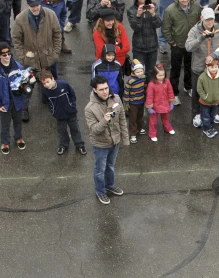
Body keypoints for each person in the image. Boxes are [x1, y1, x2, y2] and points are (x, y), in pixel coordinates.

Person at [12, 0, 61, 122]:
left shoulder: (51, 15)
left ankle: (48, 100)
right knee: (27, 86)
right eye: (32, 6)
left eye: (37, 5)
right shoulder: (20, 19)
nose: (35, 8)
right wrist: (22, 57)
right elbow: (16, 39)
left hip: (47, 58)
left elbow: (57, 34)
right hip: (30, 61)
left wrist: (54, 54)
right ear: (28, 5)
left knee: (49, 83)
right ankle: (24, 108)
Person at [85, 74, 129, 204]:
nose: (105, 92)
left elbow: (122, 120)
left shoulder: (116, 99)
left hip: (115, 141)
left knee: (110, 166)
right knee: (100, 170)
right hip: (101, 145)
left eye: (106, 88)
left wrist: (125, 139)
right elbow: (94, 130)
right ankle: (100, 191)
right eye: (101, 89)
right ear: (95, 90)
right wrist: (105, 120)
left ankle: (110, 185)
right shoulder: (89, 108)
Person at [185, 5, 219, 127]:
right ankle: (196, 114)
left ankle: (213, 113)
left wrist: (215, 55)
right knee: (197, 93)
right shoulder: (195, 31)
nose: (210, 21)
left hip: (214, 69)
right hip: (198, 69)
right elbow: (188, 47)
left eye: (212, 19)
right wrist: (201, 38)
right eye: (207, 19)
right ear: (201, 18)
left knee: (214, 92)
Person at [162, 0, 201, 106]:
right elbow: (165, 28)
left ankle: (188, 87)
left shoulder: (196, 7)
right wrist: (172, 42)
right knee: (175, 70)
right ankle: (173, 94)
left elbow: (200, 22)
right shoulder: (170, 10)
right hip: (177, 45)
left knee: (190, 67)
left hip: (191, 44)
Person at [39, 69, 86, 155]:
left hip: (71, 113)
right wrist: (53, 112)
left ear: (53, 78)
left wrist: (72, 106)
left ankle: (79, 144)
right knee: (62, 131)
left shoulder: (63, 84)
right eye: (44, 83)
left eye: (47, 82)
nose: (46, 85)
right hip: (59, 115)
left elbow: (72, 95)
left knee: (75, 129)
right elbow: (46, 102)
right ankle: (63, 145)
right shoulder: (45, 91)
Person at [0, 42, 32, 154]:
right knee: (5, 124)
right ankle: (5, 142)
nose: (7, 56)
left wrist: (29, 81)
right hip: (4, 102)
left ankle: (18, 138)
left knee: (18, 121)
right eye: (4, 55)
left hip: (17, 100)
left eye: (9, 53)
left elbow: (25, 81)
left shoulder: (18, 66)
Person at [127, 0, 161, 76]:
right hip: (139, 48)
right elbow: (136, 28)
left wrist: (153, 14)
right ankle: (139, 88)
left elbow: (158, 24)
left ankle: (149, 87)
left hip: (152, 46)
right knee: (138, 72)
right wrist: (138, 15)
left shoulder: (154, 6)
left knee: (151, 72)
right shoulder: (131, 10)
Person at [145, 62, 175, 140]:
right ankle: (152, 134)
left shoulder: (167, 81)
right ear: (155, 75)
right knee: (153, 121)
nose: (162, 77)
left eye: (163, 75)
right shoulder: (151, 84)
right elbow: (149, 96)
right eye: (160, 75)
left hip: (165, 103)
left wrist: (171, 101)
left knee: (166, 118)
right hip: (155, 106)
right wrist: (149, 107)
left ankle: (167, 128)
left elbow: (170, 91)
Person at [197, 58, 219, 136]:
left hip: (215, 101)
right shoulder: (202, 77)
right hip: (204, 102)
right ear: (207, 67)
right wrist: (205, 97)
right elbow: (199, 88)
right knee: (205, 117)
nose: (214, 69)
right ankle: (206, 129)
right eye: (211, 67)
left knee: (212, 115)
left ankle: (211, 127)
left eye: (215, 67)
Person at [123, 58, 146, 142]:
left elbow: (145, 88)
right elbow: (126, 92)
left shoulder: (143, 78)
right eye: (137, 72)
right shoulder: (130, 81)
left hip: (141, 101)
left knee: (140, 115)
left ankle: (140, 128)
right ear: (133, 72)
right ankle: (133, 134)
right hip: (133, 103)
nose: (140, 73)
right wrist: (126, 103)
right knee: (133, 118)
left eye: (141, 71)